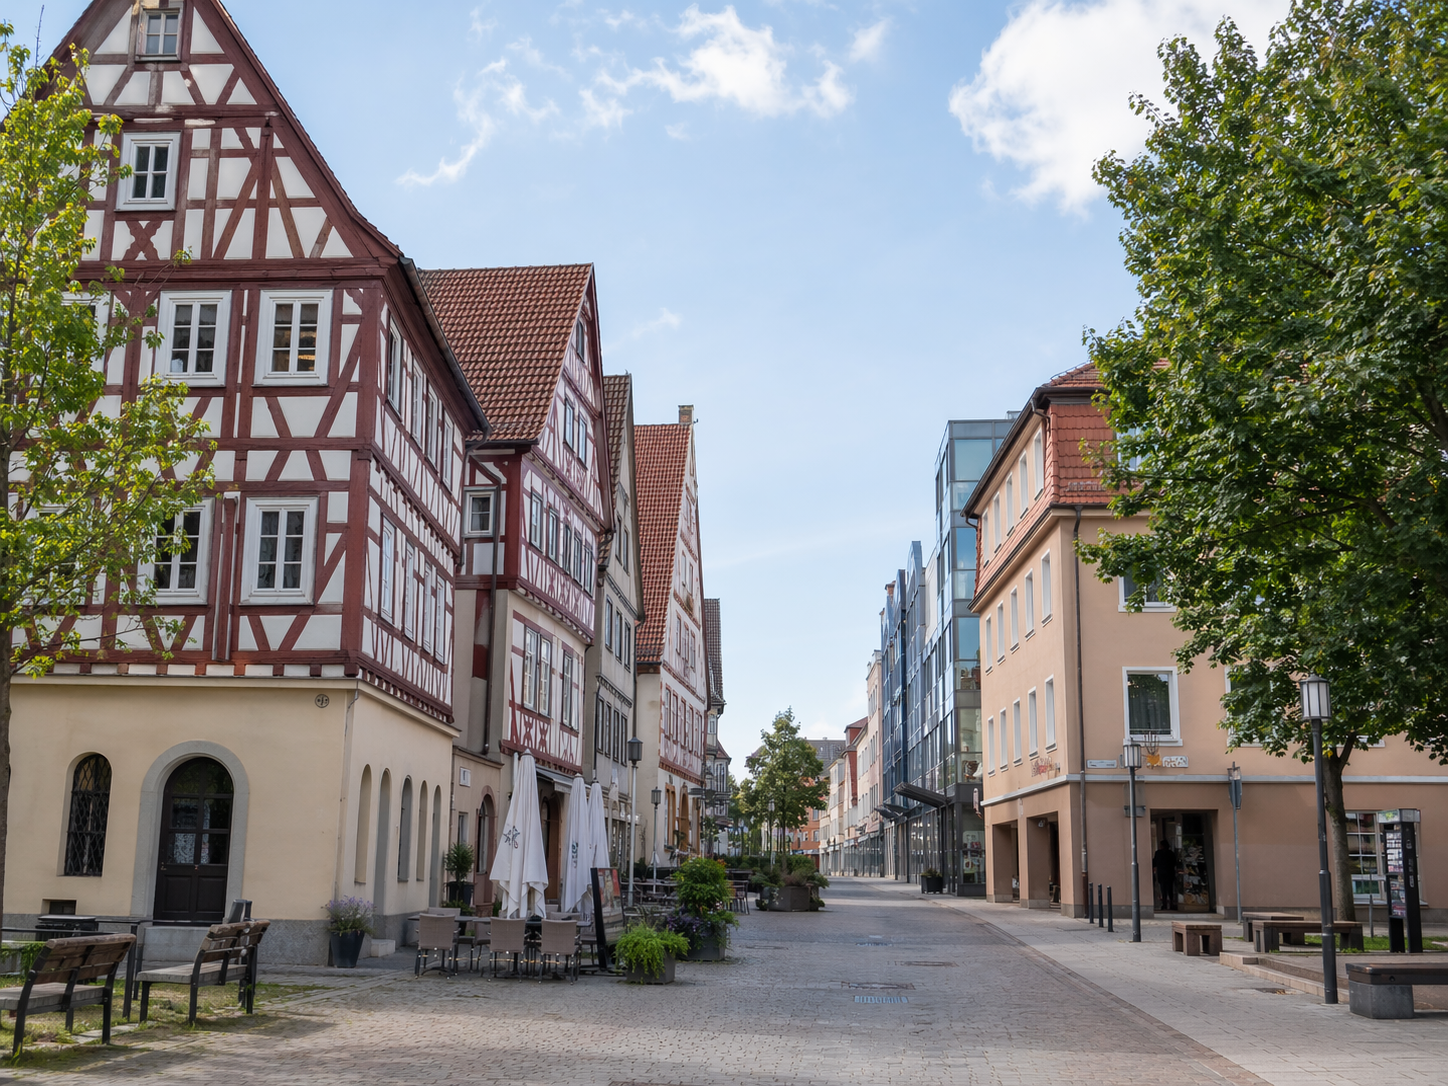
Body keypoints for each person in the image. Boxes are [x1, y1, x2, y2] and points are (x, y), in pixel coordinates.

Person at [1153, 841, 1178, 911]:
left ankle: (1164, 904)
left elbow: (1155, 862)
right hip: (1170, 873)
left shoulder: (1158, 853)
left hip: (1162, 874)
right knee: (1170, 889)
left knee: (1163, 889)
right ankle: (1171, 904)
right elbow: (1174, 863)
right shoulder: (1171, 853)